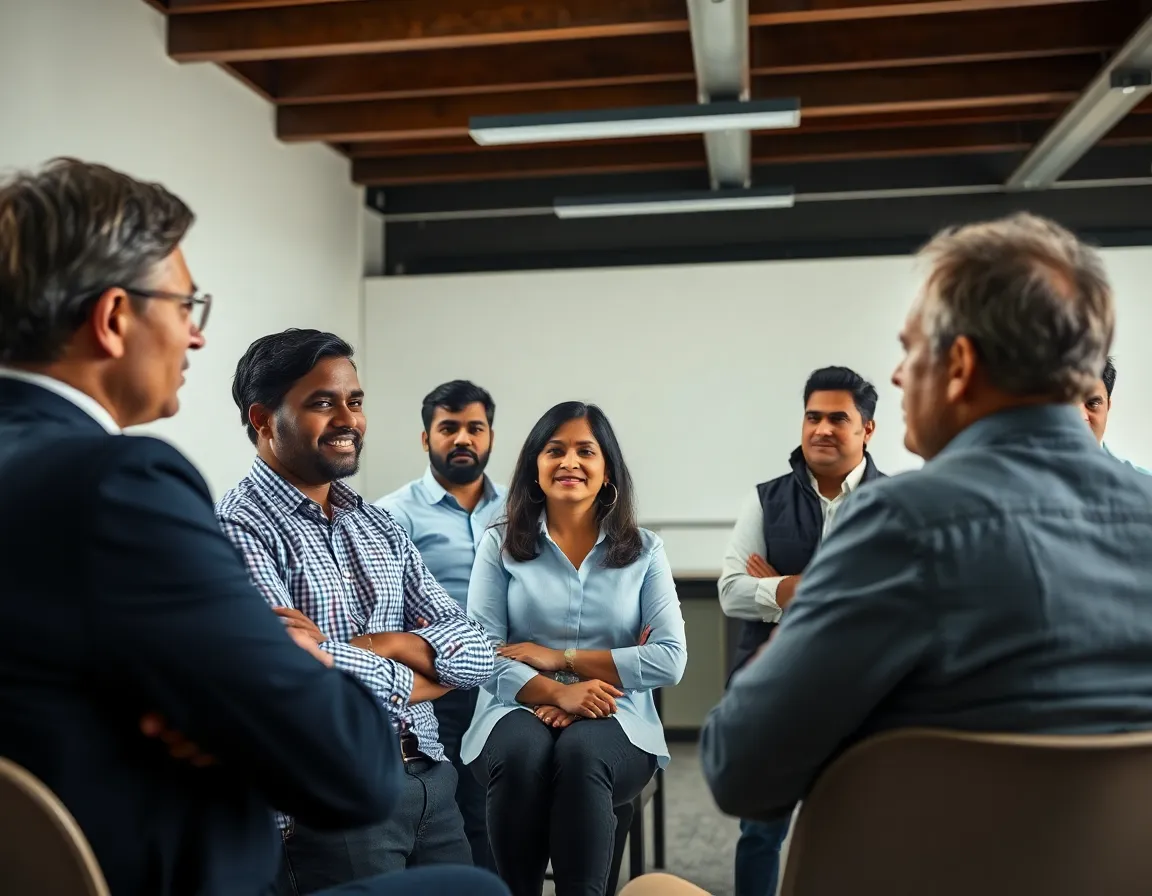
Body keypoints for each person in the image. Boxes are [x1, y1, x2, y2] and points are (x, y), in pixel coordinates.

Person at [0, 158, 508, 896]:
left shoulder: (375, 520)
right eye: (185, 308)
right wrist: (320, 681)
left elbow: (473, 650)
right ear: (113, 319)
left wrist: (329, 666)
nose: (195, 340)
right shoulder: (125, 486)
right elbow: (343, 763)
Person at [700, 211, 1152, 828]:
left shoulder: (901, 523)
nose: (896, 373)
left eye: (910, 349)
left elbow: (739, 771)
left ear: (960, 365)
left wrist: (797, 619)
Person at [216, 330, 497, 894]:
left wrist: (371, 649)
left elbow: (480, 650)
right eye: (323, 402)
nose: (349, 418)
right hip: (330, 802)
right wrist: (428, 677)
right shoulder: (238, 528)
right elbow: (294, 677)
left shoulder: (377, 524)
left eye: (356, 401)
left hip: (431, 785)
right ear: (264, 418)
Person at [463, 401, 688, 896]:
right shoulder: (497, 545)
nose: (569, 462)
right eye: (555, 450)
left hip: (617, 714)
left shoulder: (645, 550)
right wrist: (554, 691)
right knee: (523, 752)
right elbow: (479, 651)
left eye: (586, 451)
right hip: (512, 706)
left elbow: (670, 658)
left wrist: (560, 661)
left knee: (585, 753)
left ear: (607, 469)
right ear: (534, 468)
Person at [716, 365, 887, 896]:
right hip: (777, 687)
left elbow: (897, 604)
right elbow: (730, 592)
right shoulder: (765, 499)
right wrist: (817, 591)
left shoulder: (895, 503)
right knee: (761, 831)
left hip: (867, 694)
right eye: (813, 416)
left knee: (859, 829)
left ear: (867, 430)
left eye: (839, 418)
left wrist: (786, 591)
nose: (822, 429)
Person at [376, 380, 506, 871]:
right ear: (426, 437)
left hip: (512, 681)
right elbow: (392, 609)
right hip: (441, 683)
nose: (462, 439)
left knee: (502, 813)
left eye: (474, 428)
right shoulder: (392, 514)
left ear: (490, 435)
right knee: (460, 811)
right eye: (448, 428)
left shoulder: (522, 509)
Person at [1081, 357, 1151, 473]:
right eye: (1068, 405)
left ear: (1108, 406)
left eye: (1092, 403)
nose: (1081, 416)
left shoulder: (1143, 487)